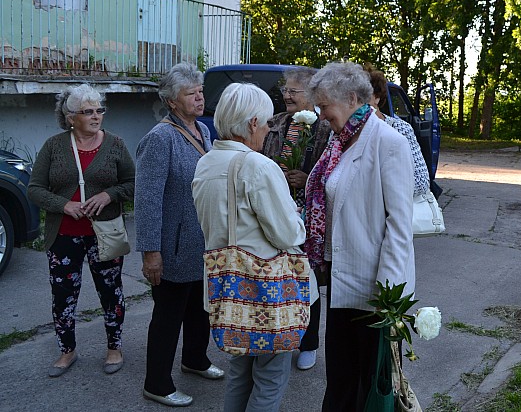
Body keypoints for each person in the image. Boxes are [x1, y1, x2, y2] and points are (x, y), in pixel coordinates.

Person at [193, 82, 317, 411]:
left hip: (229, 288)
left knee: (240, 374)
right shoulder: (258, 166)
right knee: (270, 378)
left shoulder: (206, 162)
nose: (268, 129)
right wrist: (298, 218)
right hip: (266, 291)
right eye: (266, 123)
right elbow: (288, 235)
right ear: (252, 124)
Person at [304, 62, 415, 411]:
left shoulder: (388, 142)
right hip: (342, 277)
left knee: (370, 382)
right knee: (341, 377)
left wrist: (388, 292)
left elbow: (399, 224)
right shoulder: (341, 141)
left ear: (352, 98)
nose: (321, 115)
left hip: (374, 286)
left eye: (325, 106)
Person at [28, 84, 135, 377]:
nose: (96, 116)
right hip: (63, 234)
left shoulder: (115, 144)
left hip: (105, 234)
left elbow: (132, 183)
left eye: (99, 110)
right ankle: (67, 351)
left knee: (111, 292)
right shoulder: (54, 146)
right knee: (63, 295)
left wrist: (109, 195)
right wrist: (63, 205)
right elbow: (34, 189)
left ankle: (114, 348)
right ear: (70, 117)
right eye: (88, 112)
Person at [135, 62, 224, 407]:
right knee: (168, 317)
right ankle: (156, 383)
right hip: (171, 248)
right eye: (191, 93)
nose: (200, 98)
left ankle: (195, 359)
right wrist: (150, 252)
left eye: (200, 91)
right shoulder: (159, 139)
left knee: (200, 309)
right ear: (172, 101)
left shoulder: (202, 129)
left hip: (201, 243)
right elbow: (146, 200)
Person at [261, 66, 331, 371]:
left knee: (307, 279)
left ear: (311, 95)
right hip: (276, 211)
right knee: (278, 277)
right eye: (285, 90)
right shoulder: (275, 123)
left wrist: (308, 179)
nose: (286, 95)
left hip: (308, 216)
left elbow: (333, 174)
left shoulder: (326, 128)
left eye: (293, 91)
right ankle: (281, 335)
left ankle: (309, 342)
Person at [364, 64, 430, 197]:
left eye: (363, 95)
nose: (356, 101)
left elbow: (421, 181)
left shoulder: (400, 128)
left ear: (377, 97)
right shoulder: (342, 132)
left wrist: (377, 194)